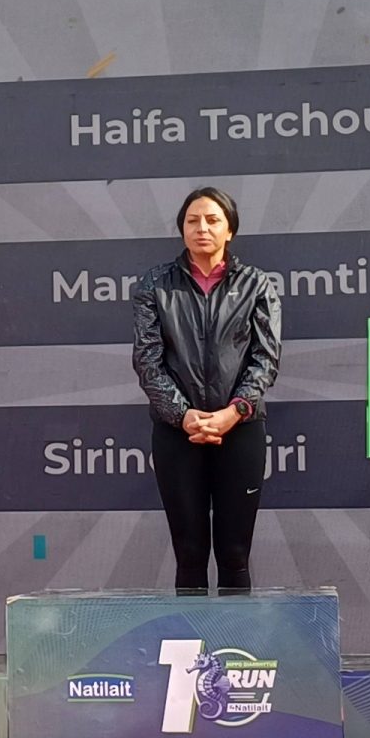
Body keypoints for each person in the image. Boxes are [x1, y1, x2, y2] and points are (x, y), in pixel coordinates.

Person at [132, 188, 282, 594]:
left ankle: (234, 636)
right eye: (192, 220)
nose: (202, 228)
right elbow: (148, 361)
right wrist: (183, 416)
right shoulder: (155, 284)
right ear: (182, 229)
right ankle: (192, 639)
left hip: (241, 430)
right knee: (190, 553)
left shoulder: (256, 285)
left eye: (213, 220)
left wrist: (234, 412)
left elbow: (265, 359)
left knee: (234, 554)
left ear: (230, 230)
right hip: (177, 432)